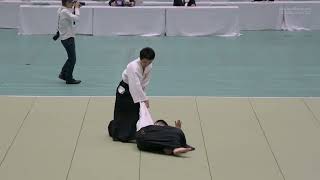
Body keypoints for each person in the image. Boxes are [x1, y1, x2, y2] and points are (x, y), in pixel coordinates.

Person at [108, 47, 155, 142]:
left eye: (149, 62)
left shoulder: (149, 66)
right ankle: (119, 134)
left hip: (137, 91)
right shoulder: (132, 66)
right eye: (145, 62)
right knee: (123, 113)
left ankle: (131, 134)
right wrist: (144, 99)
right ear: (140, 58)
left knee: (134, 113)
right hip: (125, 90)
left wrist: (144, 95)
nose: (147, 64)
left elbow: (145, 82)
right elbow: (135, 85)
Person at [57, 0, 81, 84]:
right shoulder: (65, 12)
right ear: (67, 3)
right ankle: (69, 78)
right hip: (68, 38)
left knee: (70, 58)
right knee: (72, 59)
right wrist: (77, 8)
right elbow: (77, 18)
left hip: (65, 37)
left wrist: (74, 8)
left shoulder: (60, 9)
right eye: (71, 2)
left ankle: (63, 74)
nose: (73, 4)